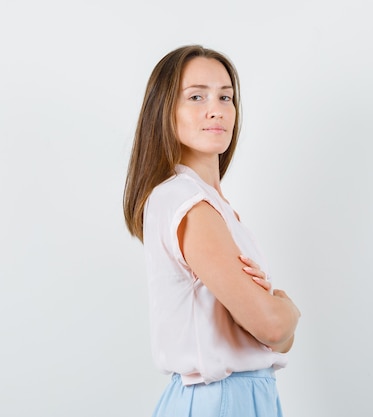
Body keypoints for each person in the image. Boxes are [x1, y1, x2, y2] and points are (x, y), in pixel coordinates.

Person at [123, 45, 300, 417]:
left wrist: (279, 322)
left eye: (226, 96)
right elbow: (272, 328)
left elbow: (280, 341)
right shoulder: (185, 200)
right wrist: (289, 310)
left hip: (245, 397)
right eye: (196, 96)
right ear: (164, 111)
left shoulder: (212, 205)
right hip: (218, 401)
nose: (216, 108)